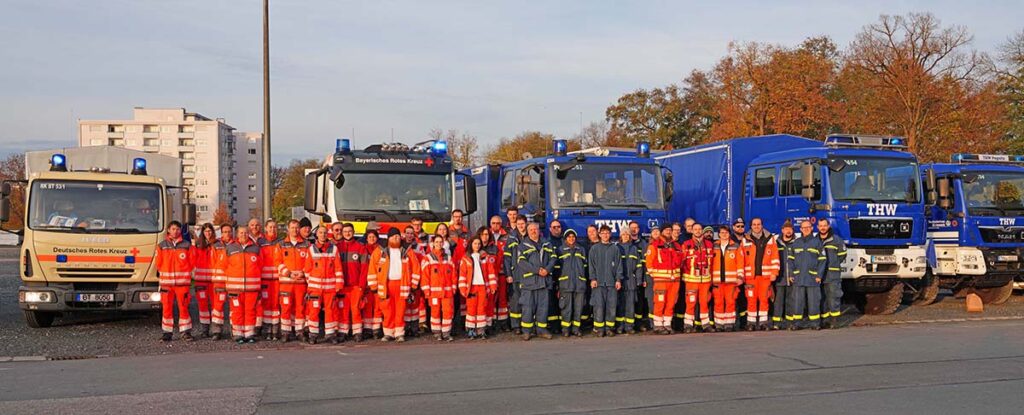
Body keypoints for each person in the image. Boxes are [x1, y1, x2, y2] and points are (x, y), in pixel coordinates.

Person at [368, 228, 421, 342]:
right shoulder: (380, 251)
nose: (396, 238)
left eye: (397, 236)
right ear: (389, 238)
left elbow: (416, 267)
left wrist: (414, 285)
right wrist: (373, 286)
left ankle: (399, 333)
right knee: (387, 310)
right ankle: (388, 333)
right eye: (393, 236)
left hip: (402, 285)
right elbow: (372, 268)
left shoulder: (407, 251)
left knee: (400, 310)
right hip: (386, 285)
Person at [221, 225, 263, 344]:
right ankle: (238, 334)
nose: (243, 235)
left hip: (252, 288)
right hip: (235, 288)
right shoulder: (230, 248)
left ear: (248, 233)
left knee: (250, 311)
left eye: (245, 233)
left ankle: (249, 334)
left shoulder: (255, 248)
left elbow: (260, 265)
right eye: (241, 233)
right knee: (237, 311)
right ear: (237, 235)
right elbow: (224, 266)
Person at [516, 222, 556, 340]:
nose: (534, 231)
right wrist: (537, 270)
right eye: (531, 230)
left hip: (544, 281)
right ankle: (527, 331)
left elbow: (553, 258)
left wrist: (547, 270)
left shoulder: (547, 243)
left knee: (543, 308)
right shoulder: (522, 246)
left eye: (536, 229)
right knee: (528, 307)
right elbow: (521, 263)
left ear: (539, 230)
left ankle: (541, 330)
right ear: (528, 232)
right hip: (529, 282)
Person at [156, 221, 194, 342]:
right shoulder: (162, 245)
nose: (175, 231)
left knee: (184, 308)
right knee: (166, 308)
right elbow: (158, 263)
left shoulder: (187, 245)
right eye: (173, 229)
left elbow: (192, 262)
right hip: (166, 284)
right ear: (168, 230)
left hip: (182, 284)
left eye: (178, 229)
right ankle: (167, 333)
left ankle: (186, 332)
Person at [306, 226, 344, 344]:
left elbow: (338, 268)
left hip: (330, 288)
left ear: (328, 234)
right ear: (316, 235)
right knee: (313, 311)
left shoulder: (334, 249)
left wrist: (338, 284)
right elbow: (307, 269)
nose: (322, 235)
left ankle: (330, 334)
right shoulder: (311, 249)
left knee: (330, 311)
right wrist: (312, 284)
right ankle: (313, 335)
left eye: (324, 233)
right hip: (315, 289)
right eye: (320, 233)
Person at [741, 218, 780, 331]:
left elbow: (775, 257)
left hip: (765, 276)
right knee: (751, 300)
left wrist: (774, 273)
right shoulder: (745, 239)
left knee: (764, 299)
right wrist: (741, 274)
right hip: (750, 277)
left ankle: (763, 323)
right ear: (751, 226)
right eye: (754, 224)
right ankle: (751, 323)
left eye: (758, 224)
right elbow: (741, 258)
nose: (756, 226)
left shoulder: (770, 239)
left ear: (762, 225)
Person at [787, 220, 826, 330]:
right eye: (803, 228)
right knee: (797, 302)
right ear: (800, 229)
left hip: (812, 278)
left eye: (808, 227)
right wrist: (791, 274)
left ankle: (815, 323)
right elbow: (790, 260)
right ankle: (796, 323)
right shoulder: (796, 243)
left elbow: (823, 260)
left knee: (814, 302)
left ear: (812, 228)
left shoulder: (817, 242)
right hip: (798, 278)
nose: (806, 229)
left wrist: (819, 275)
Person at [277, 219, 311, 343]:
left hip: (301, 283)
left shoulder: (307, 245)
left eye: (297, 227)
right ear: (288, 229)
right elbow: (278, 262)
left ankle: (300, 332)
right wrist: (289, 273)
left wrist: (302, 272)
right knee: (285, 307)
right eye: (292, 227)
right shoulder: (281, 245)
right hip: (286, 283)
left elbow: (309, 262)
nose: (295, 230)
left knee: (300, 308)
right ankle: (286, 332)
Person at [645, 224, 682, 334]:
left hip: (674, 281)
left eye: (670, 230)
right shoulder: (654, 245)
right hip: (661, 281)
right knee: (659, 302)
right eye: (666, 230)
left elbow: (681, 261)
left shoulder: (676, 245)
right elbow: (649, 263)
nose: (668, 232)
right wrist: (656, 276)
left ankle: (667, 324)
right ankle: (658, 325)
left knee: (671, 303)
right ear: (662, 232)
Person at [420, 235, 458, 341]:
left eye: (440, 242)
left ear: (443, 243)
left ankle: (446, 333)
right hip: (434, 292)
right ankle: (437, 332)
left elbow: (454, 275)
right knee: (435, 312)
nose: (439, 244)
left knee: (448, 312)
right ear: (433, 244)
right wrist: (426, 291)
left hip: (447, 292)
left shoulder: (449, 258)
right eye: (436, 242)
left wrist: (454, 288)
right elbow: (425, 276)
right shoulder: (428, 258)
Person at [459, 236, 497, 339]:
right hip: (471, 287)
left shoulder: (486, 257)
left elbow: (491, 273)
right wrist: (463, 289)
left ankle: (481, 330)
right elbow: (462, 275)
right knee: (471, 309)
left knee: (482, 308)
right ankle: (471, 330)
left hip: (483, 287)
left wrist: (493, 286)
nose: (477, 246)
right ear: (471, 244)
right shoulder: (465, 258)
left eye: (479, 244)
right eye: (475, 243)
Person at [337, 223, 369, 342]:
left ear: (354, 231)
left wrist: (361, 285)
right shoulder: (337, 247)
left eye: (349, 231)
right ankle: (343, 331)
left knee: (356, 309)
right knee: (343, 309)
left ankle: (357, 332)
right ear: (342, 233)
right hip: (342, 285)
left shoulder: (360, 247)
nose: (347, 233)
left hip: (356, 285)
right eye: (345, 231)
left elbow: (364, 268)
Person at [588, 226, 622, 337]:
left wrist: (618, 279)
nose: (605, 235)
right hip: (599, 283)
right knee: (599, 306)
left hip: (612, 283)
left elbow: (618, 265)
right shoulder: (594, 248)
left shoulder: (615, 248)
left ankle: (609, 328)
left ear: (610, 234)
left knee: (611, 307)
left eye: (607, 233)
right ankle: (599, 329)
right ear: (600, 234)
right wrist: (593, 279)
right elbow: (591, 266)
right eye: (603, 233)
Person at [681, 223, 714, 333]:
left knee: (704, 303)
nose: (698, 231)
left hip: (705, 280)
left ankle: (705, 325)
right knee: (690, 303)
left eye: (700, 229)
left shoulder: (709, 244)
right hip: (691, 280)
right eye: (695, 229)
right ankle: (688, 325)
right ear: (692, 231)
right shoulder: (686, 244)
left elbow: (712, 263)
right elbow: (682, 262)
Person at [711, 226, 745, 332]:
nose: (724, 234)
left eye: (726, 232)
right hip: (716, 281)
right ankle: (719, 324)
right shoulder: (713, 246)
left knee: (730, 302)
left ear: (729, 234)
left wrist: (740, 276)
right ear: (719, 234)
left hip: (731, 281)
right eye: (722, 232)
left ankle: (729, 324)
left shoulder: (735, 246)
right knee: (718, 302)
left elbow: (740, 263)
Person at [555, 229, 587, 337]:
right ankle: (565, 329)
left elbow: (585, 267)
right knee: (566, 308)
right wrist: (557, 285)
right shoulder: (560, 250)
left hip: (579, 284)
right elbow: (557, 268)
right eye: (569, 237)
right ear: (565, 238)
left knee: (578, 308)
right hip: (565, 284)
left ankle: (576, 329)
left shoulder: (581, 249)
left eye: (573, 237)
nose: (571, 239)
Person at [818, 218, 847, 329]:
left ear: (828, 226)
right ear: (818, 227)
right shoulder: (816, 240)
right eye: (820, 226)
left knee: (833, 296)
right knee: (822, 297)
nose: (823, 228)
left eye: (824, 225)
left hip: (832, 274)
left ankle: (834, 321)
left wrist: (834, 264)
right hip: (820, 275)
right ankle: (824, 320)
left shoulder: (836, 240)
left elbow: (842, 254)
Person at [191, 223, 217, 337]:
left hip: (214, 281)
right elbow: (192, 261)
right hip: (200, 281)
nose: (208, 233)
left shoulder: (217, 245)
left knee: (216, 306)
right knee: (203, 306)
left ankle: (216, 330)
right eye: (206, 231)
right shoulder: (197, 246)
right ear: (202, 233)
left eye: (210, 231)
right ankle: (204, 330)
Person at [209, 223, 235, 340]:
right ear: (221, 233)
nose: (227, 234)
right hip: (219, 281)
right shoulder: (216, 245)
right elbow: (213, 263)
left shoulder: (237, 245)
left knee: (234, 307)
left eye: (229, 231)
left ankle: (234, 329)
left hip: (233, 281)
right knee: (218, 307)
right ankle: (216, 330)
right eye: (225, 232)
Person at [258, 219, 281, 340]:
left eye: (274, 227)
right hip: (265, 279)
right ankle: (267, 331)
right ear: (266, 229)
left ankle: (275, 331)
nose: (272, 229)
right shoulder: (260, 243)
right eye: (270, 227)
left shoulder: (281, 242)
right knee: (266, 305)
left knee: (276, 304)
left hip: (277, 279)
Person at [772, 220, 797, 330]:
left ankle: (790, 322)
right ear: (782, 230)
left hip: (792, 277)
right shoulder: (776, 243)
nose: (788, 231)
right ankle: (776, 322)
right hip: (780, 278)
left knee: (791, 301)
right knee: (778, 301)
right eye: (786, 229)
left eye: (790, 229)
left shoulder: (797, 243)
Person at [506, 216, 529, 334]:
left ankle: (526, 324)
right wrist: (508, 274)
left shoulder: (531, 236)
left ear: (526, 224)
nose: (520, 226)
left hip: (528, 275)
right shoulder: (511, 238)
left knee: (527, 301)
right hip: (515, 274)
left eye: (522, 223)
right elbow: (507, 258)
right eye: (518, 224)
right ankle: (516, 326)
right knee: (515, 301)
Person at [487, 217, 511, 331]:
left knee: (502, 298)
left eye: (498, 223)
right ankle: (490, 322)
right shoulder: (486, 235)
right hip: (490, 273)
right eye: (493, 223)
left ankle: (503, 322)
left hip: (502, 272)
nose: (495, 225)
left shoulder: (507, 235)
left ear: (501, 224)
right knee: (490, 299)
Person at [617, 231, 642, 335]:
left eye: (627, 234)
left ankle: (629, 326)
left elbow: (639, 266)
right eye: (624, 234)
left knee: (630, 305)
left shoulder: (634, 248)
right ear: (620, 236)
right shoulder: (616, 248)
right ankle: (620, 326)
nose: (626, 236)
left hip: (631, 280)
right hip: (620, 280)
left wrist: (639, 280)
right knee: (620, 304)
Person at [361, 230, 384, 339]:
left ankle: (376, 329)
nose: (372, 239)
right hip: (366, 283)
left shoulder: (382, 250)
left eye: (374, 237)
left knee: (378, 307)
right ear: (366, 238)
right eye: (369, 237)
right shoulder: (362, 249)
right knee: (367, 307)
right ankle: (367, 329)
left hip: (378, 283)